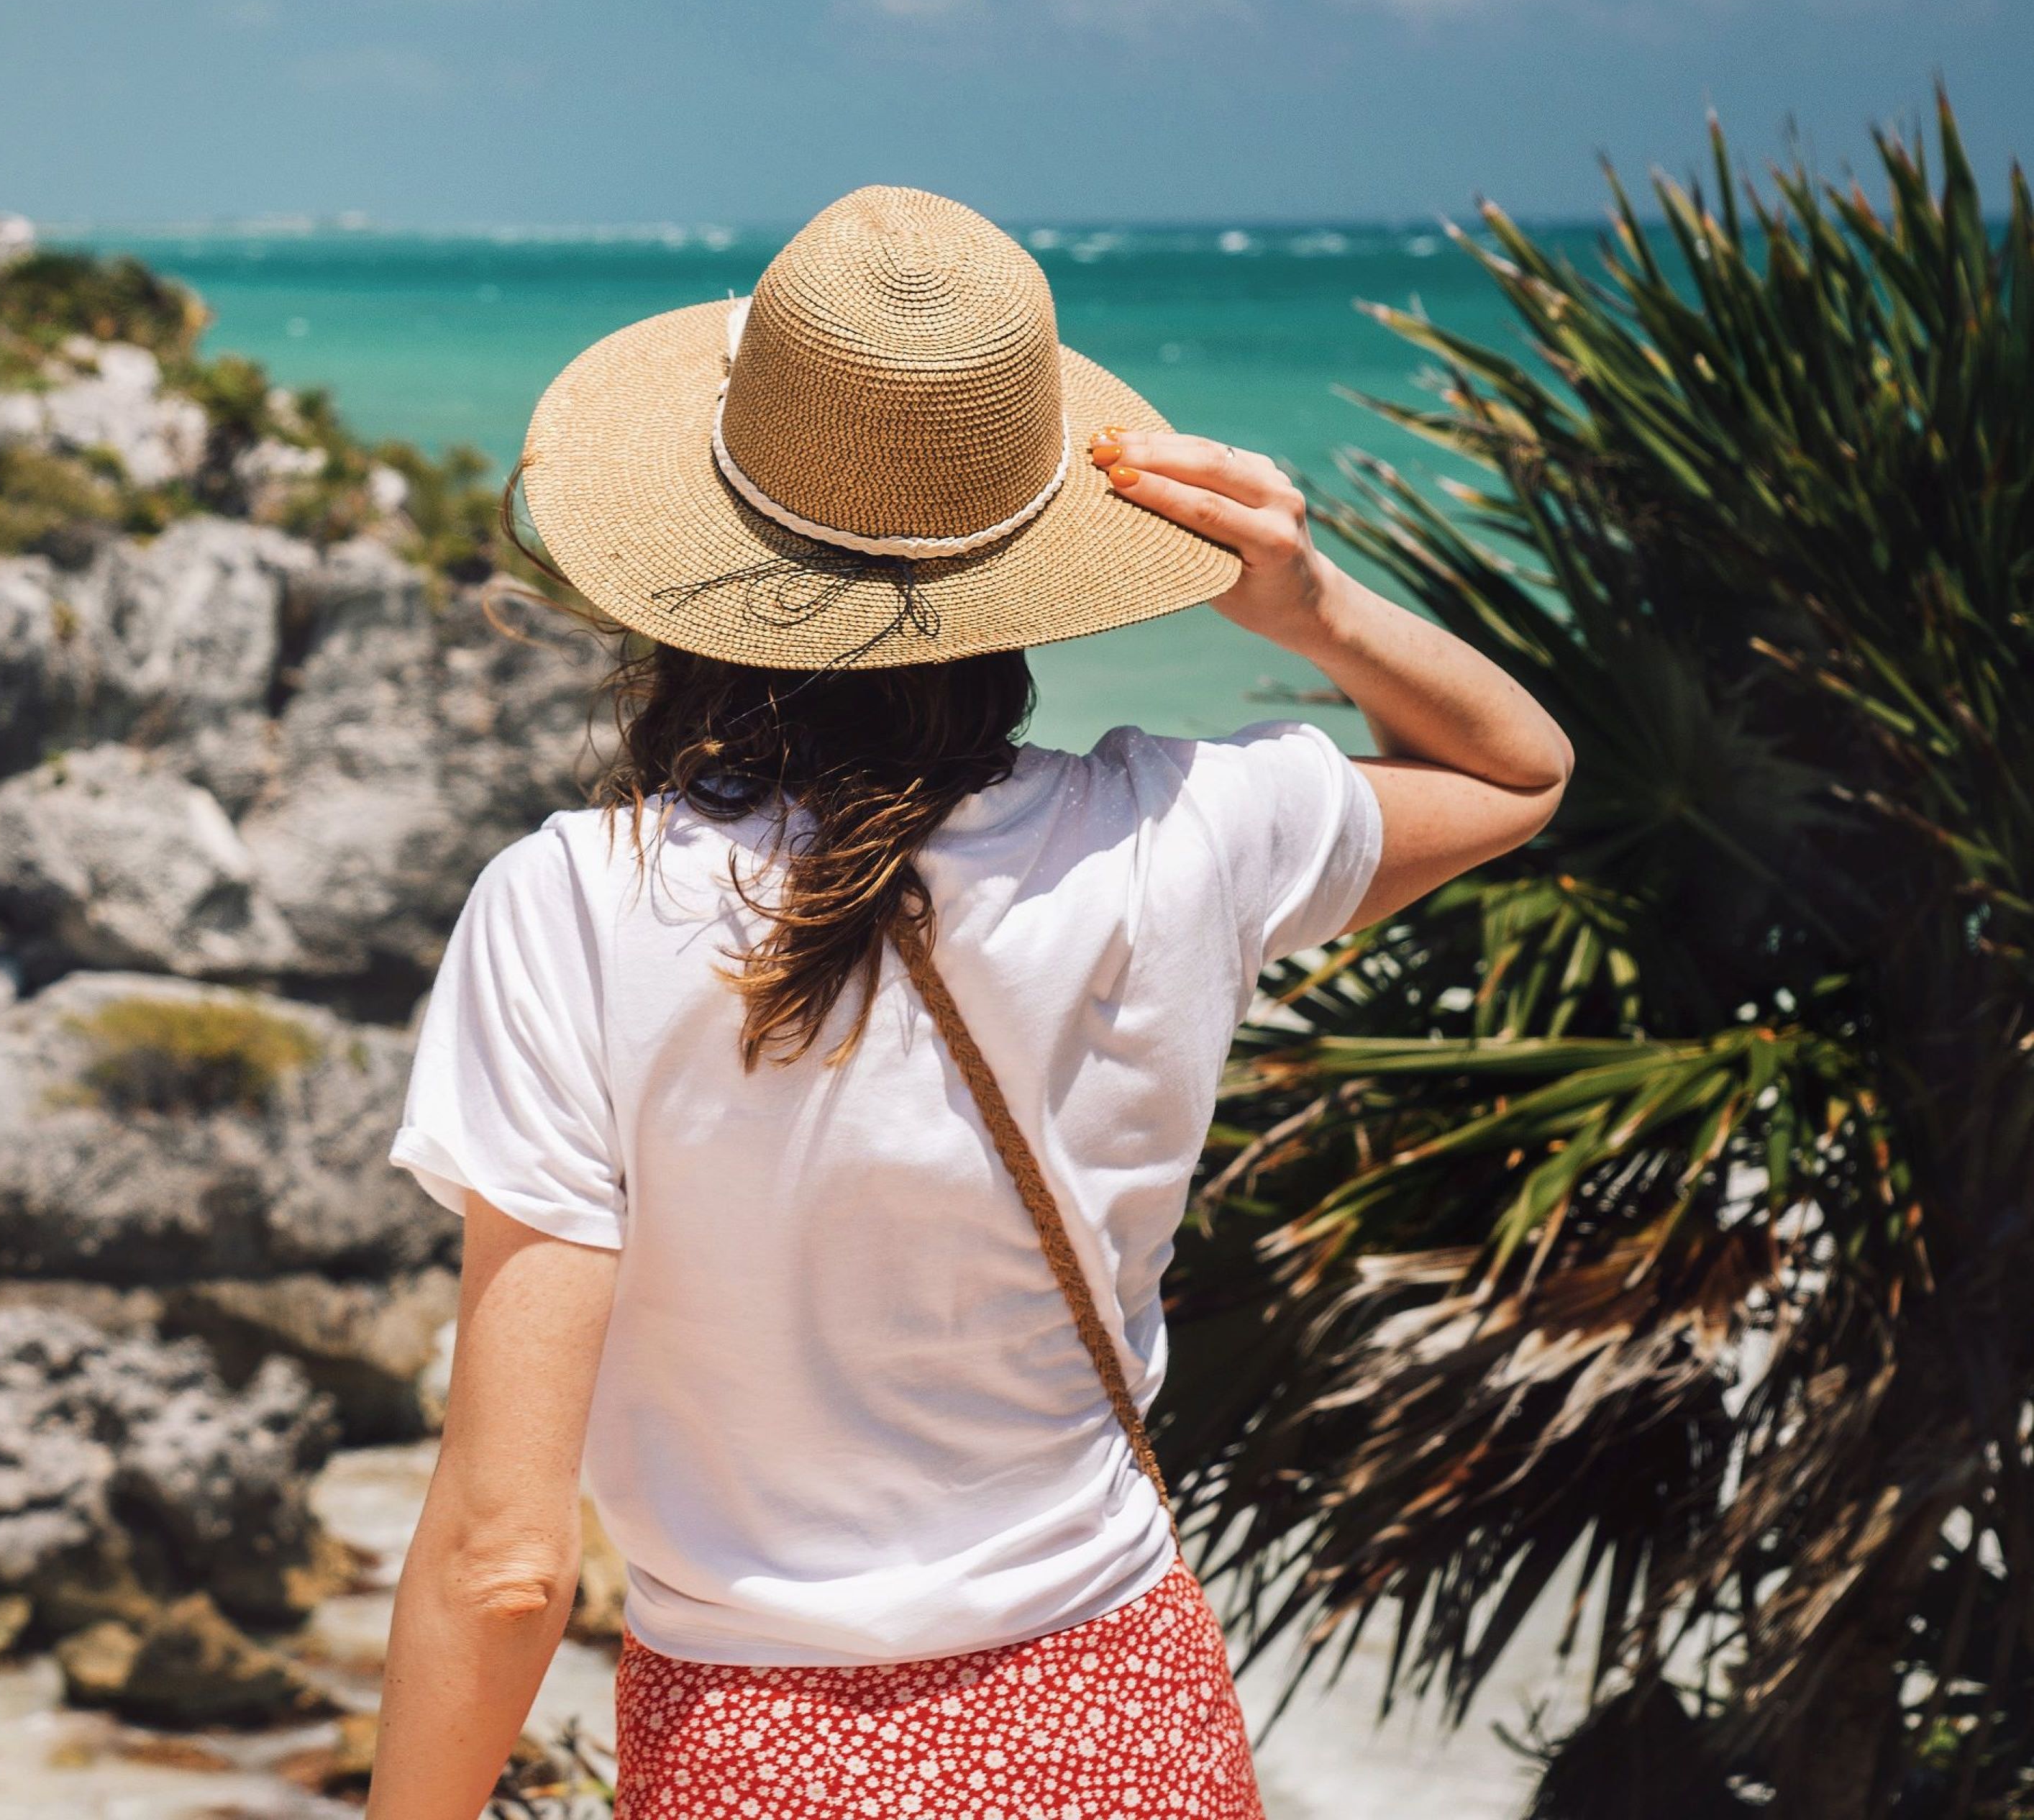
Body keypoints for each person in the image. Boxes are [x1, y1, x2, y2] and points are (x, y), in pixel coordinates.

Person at [365, 187, 1572, 1819]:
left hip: (757, 1749)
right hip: (1120, 1715)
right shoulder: (1185, 834)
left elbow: (508, 1566)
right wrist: (1306, 605)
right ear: (1026, 563)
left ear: (703, 565)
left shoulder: (576, 905)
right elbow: (1519, 771)